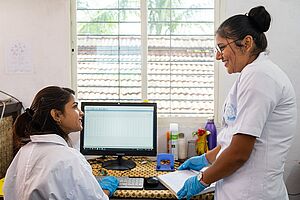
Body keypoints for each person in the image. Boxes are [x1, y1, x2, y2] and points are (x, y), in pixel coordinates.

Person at [177, 6, 297, 200]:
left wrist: (202, 179)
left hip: (253, 193)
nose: (218, 56)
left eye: (222, 47)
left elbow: (239, 152)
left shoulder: (260, 76)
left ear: (246, 43)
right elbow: (231, 138)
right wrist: (205, 159)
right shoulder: (251, 75)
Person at [3, 86, 119, 200]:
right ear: (57, 115)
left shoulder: (24, 152)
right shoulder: (69, 159)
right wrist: (105, 190)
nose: (81, 113)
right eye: (75, 107)